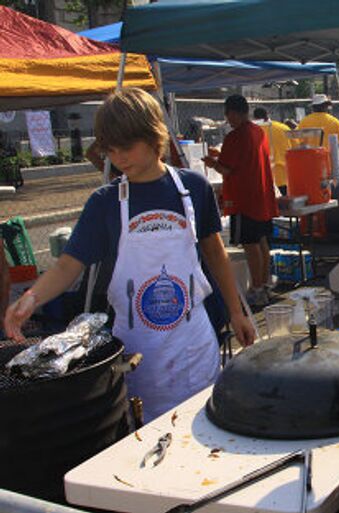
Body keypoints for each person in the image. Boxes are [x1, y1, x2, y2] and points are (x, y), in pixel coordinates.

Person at [3, 87, 255, 422]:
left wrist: (236, 312)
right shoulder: (104, 203)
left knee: (202, 431)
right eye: (111, 149)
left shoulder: (193, 188)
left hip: (193, 345)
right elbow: (67, 265)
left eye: (127, 147)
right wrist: (32, 297)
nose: (119, 158)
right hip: (138, 352)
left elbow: (214, 252)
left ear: (154, 136)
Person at [203, 95, 278, 307]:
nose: (228, 120)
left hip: (245, 199)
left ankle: (256, 288)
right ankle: (263, 285)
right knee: (262, 242)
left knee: (250, 245)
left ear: (233, 113)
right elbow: (244, 159)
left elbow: (226, 169)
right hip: (261, 196)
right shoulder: (257, 132)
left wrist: (211, 163)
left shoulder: (235, 137)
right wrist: (221, 156)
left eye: (228, 115)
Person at [253, 106, 294, 196]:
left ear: (255, 118)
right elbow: (296, 148)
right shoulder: (283, 128)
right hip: (286, 176)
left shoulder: (254, 131)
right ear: (267, 116)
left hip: (265, 178)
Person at [298, 94, 339, 159]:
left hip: (309, 160)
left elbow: (299, 142)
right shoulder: (335, 122)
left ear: (313, 107)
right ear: (326, 106)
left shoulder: (304, 121)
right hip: (329, 161)